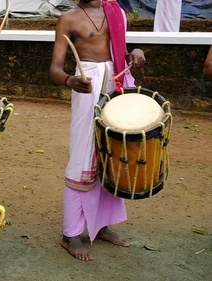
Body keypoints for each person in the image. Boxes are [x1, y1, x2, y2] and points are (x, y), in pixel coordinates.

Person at [49, 0, 146, 261]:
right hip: (87, 87)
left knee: (112, 153)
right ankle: (70, 234)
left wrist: (135, 51)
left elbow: (121, 52)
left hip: (115, 84)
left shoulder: (116, 12)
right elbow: (55, 69)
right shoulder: (68, 19)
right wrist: (70, 80)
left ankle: (101, 226)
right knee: (82, 156)